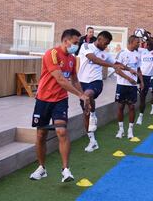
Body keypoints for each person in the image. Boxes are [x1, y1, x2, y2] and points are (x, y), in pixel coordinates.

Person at [29, 29, 89, 182]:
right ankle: (42, 168)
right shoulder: (52, 54)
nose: (77, 46)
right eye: (75, 43)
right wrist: (79, 94)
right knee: (41, 135)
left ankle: (66, 170)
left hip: (60, 100)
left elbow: (74, 80)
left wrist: (84, 97)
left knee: (62, 131)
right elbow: (60, 79)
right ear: (66, 41)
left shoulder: (72, 59)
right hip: (43, 99)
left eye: (78, 43)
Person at [77, 31, 131, 152]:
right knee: (85, 112)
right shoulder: (86, 46)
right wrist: (112, 66)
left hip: (96, 82)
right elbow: (93, 59)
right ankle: (92, 141)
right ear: (100, 39)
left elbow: (116, 63)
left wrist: (129, 69)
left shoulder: (105, 53)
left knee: (88, 95)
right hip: (82, 83)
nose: (106, 46)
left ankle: (93, 113)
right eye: (105, 43)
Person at [115, 36, 143, 139]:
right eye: (137, 42)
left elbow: (138, 69)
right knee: (121, 107)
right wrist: (128, 78)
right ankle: (121, 129)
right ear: (131, 42)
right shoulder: (122, 53)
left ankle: (130, 130)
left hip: (133, 86)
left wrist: (141, 81)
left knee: (131, 107)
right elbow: (117, 69)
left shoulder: (137, 54)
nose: (138, 44)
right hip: (122, 84)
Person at [136, 36, 153, 125]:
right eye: (148, 43)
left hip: (150, 77)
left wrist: (148, 37)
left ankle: (148, 110)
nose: (148, 45)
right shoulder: (142, 51)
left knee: (149, 95)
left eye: (151, 43)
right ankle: (140, 115)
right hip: (140, 75)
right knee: (140, 96)